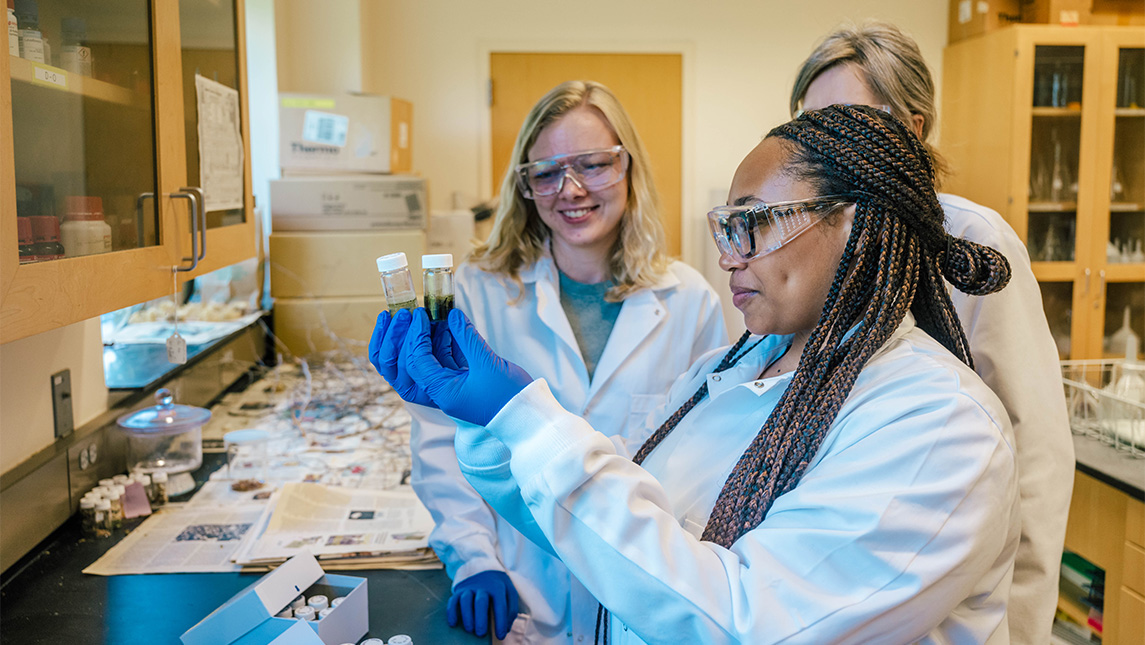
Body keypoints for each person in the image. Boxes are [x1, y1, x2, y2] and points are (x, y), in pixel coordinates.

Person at [374, 104, 1022, 643]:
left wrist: (523, 414)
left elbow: (746, 621)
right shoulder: (730, 371)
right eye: (723, 225)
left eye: (750, 222)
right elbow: (598, 521)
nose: (725, 254)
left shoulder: (937, 424)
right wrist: (493, 423)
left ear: (853, 224)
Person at [371, 80, 727, 642]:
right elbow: (442, 441)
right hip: (521, 588)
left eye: (592, 164)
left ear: (627, 167)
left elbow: (708, 462)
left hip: (643, 594)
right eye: (547, 172)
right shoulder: (481, 290)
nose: (571, 188)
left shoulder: (689, 301)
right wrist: (473, 558)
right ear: (526, 186)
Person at [789, 22, 1073, 644]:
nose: (825, 147)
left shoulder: (973, 240)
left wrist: (1019, 628)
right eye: (810, 126)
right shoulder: (807, 245)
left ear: (914, 130)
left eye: (850, 121)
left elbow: (1037, 454)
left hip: (960, 585)